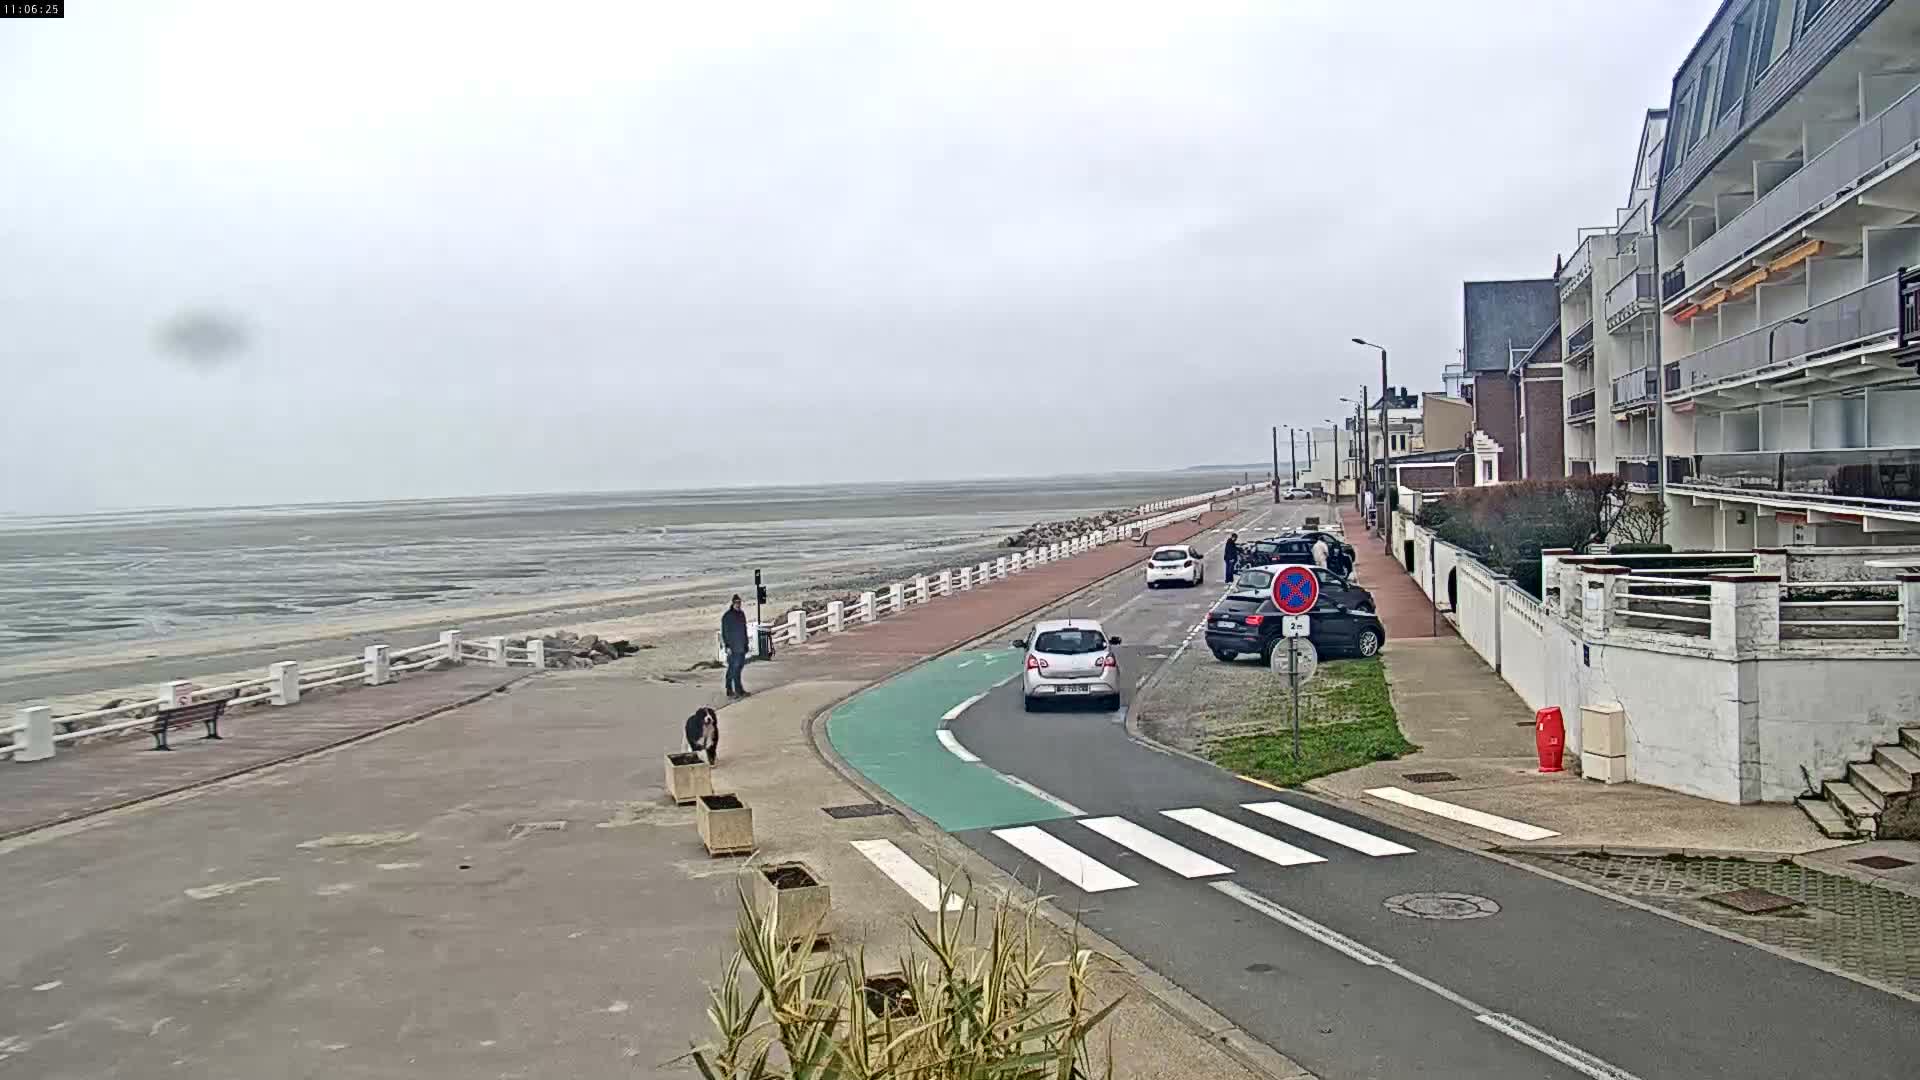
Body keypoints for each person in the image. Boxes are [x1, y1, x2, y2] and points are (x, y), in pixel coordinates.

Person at [720, 595, 750, 698]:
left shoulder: (741, 614)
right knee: (733, 669)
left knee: (738, 668)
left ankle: (737, 689)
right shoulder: (727, 616)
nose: (738, 604)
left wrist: (746, 644)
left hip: (741, 646)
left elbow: (744, 630)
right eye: (736, 603)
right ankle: (733, 690)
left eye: (739, 602)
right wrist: (727, 646)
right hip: (732, 647)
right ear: (732, 603)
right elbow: (725, 632)